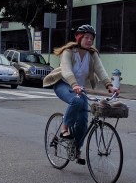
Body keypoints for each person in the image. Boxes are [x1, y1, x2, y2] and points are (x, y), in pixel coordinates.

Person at [43, 24, 119, 164]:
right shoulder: (69, 52)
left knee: (83, 123)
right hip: (64, 85)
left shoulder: (92, 54)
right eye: (86, 38)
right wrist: (74, 84)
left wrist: (110, 86)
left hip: (80, 89)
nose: (89, 40)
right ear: (79, 38)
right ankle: (64, 128)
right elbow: (66, 70)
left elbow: (100, 70)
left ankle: (76, 148)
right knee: (76, 101)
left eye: (91, 38)